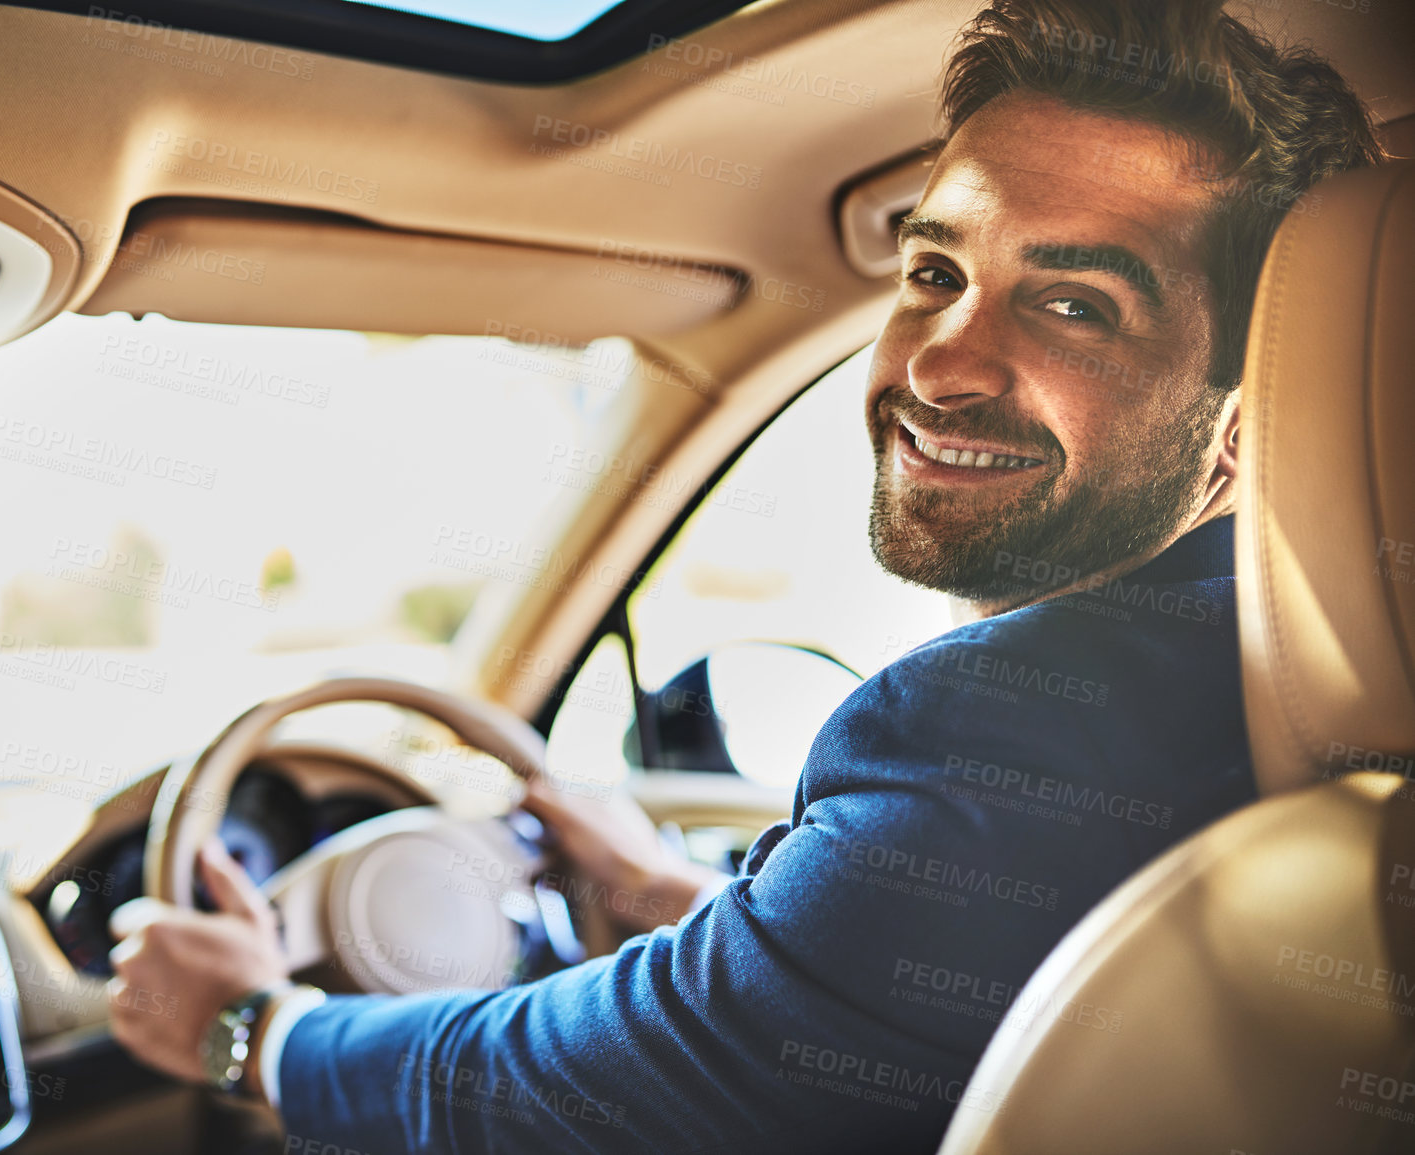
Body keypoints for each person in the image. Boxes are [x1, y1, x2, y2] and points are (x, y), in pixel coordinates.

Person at [104, 2, 1386, 1150]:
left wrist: (251, 1031)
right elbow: (884, 1003)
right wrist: (681, 902)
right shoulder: (1265, 692)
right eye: (935, 274)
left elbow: (612, 1086)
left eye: (1076, 308)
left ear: (1245, 408)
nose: (941, 364)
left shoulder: (1023, 717)